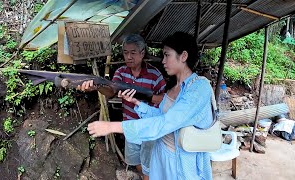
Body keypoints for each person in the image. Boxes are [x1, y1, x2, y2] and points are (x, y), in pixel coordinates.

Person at [87, 32, 213, 179]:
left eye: (167, 55)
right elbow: (160, 115)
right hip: (162, 154)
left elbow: (167, 122)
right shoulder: (173, 88)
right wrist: (137, 102)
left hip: (183, 161)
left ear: (183, 56)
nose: (163, 61)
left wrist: (113, 127)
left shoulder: (199, 87)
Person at [78, 34, 166, 180]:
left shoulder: (155, 75)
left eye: (133, 53)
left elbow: (164, 100)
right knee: (135, 160)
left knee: (149, 165)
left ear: (142, 53)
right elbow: (110, 92)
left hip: (149, 128)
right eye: (125, 52)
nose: (129, 57)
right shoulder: (121, 72)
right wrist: (98, 87)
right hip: (129, 126)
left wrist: (143, 97)